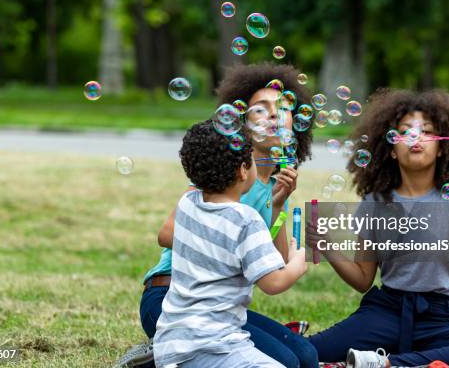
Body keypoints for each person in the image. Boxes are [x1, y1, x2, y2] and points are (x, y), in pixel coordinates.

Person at [115, 63, 318, 368]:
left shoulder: (278, 186)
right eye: (261, 109)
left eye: (283, 109)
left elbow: (278, 262)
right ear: (240, 125)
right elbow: (166, 233)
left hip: (219, 306)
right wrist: (233, 237)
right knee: (287, 362)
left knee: (306, 356)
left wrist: (277, 208)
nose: (274, 115)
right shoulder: (223, 177)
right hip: (170, 296)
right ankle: (161, 355)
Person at [307, 89, 449, 368]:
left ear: (442, 146)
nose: (416, 138)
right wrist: (327, 246)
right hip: (386, 312)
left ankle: (388, 363)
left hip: (441, 316)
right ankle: (405, 360)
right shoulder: (376, 202)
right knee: (307, 351)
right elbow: (363, 278)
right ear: (391, 150)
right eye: (405, 132)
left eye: (427, 131)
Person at [153, 120, 307, 367]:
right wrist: (297, 264)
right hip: (216, 345)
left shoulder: (188, 203)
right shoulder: (246, 220)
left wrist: (276, 206)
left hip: (170, 344)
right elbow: (274, 282)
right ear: (243, 170)